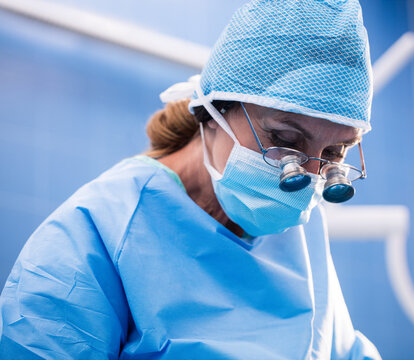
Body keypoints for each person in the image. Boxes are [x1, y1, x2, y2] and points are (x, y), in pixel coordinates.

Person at [0, 0, 381, 358]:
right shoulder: (100, 229)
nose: (308, 177)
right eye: (284, 140)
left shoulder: (302, 235)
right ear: (213, 114)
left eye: (334, 153)